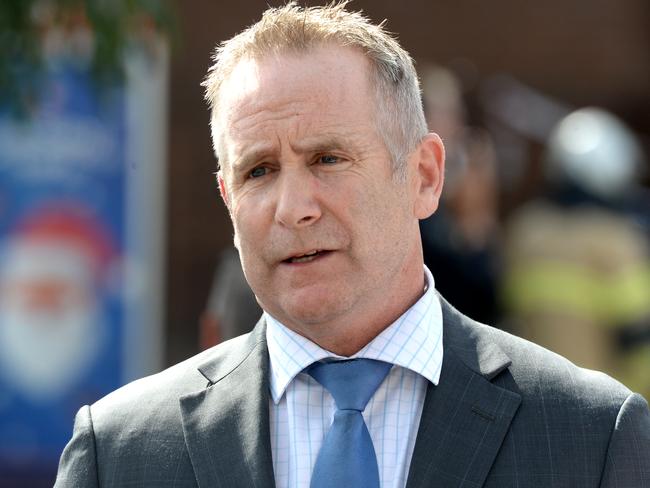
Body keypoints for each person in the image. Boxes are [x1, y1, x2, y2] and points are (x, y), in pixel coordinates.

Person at [55, 3, 650, 487]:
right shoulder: (119, 453)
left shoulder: (592, 438)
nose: (294, 207)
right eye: (259, 171)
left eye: (328, 159)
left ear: (423, 176)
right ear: (227, 197)